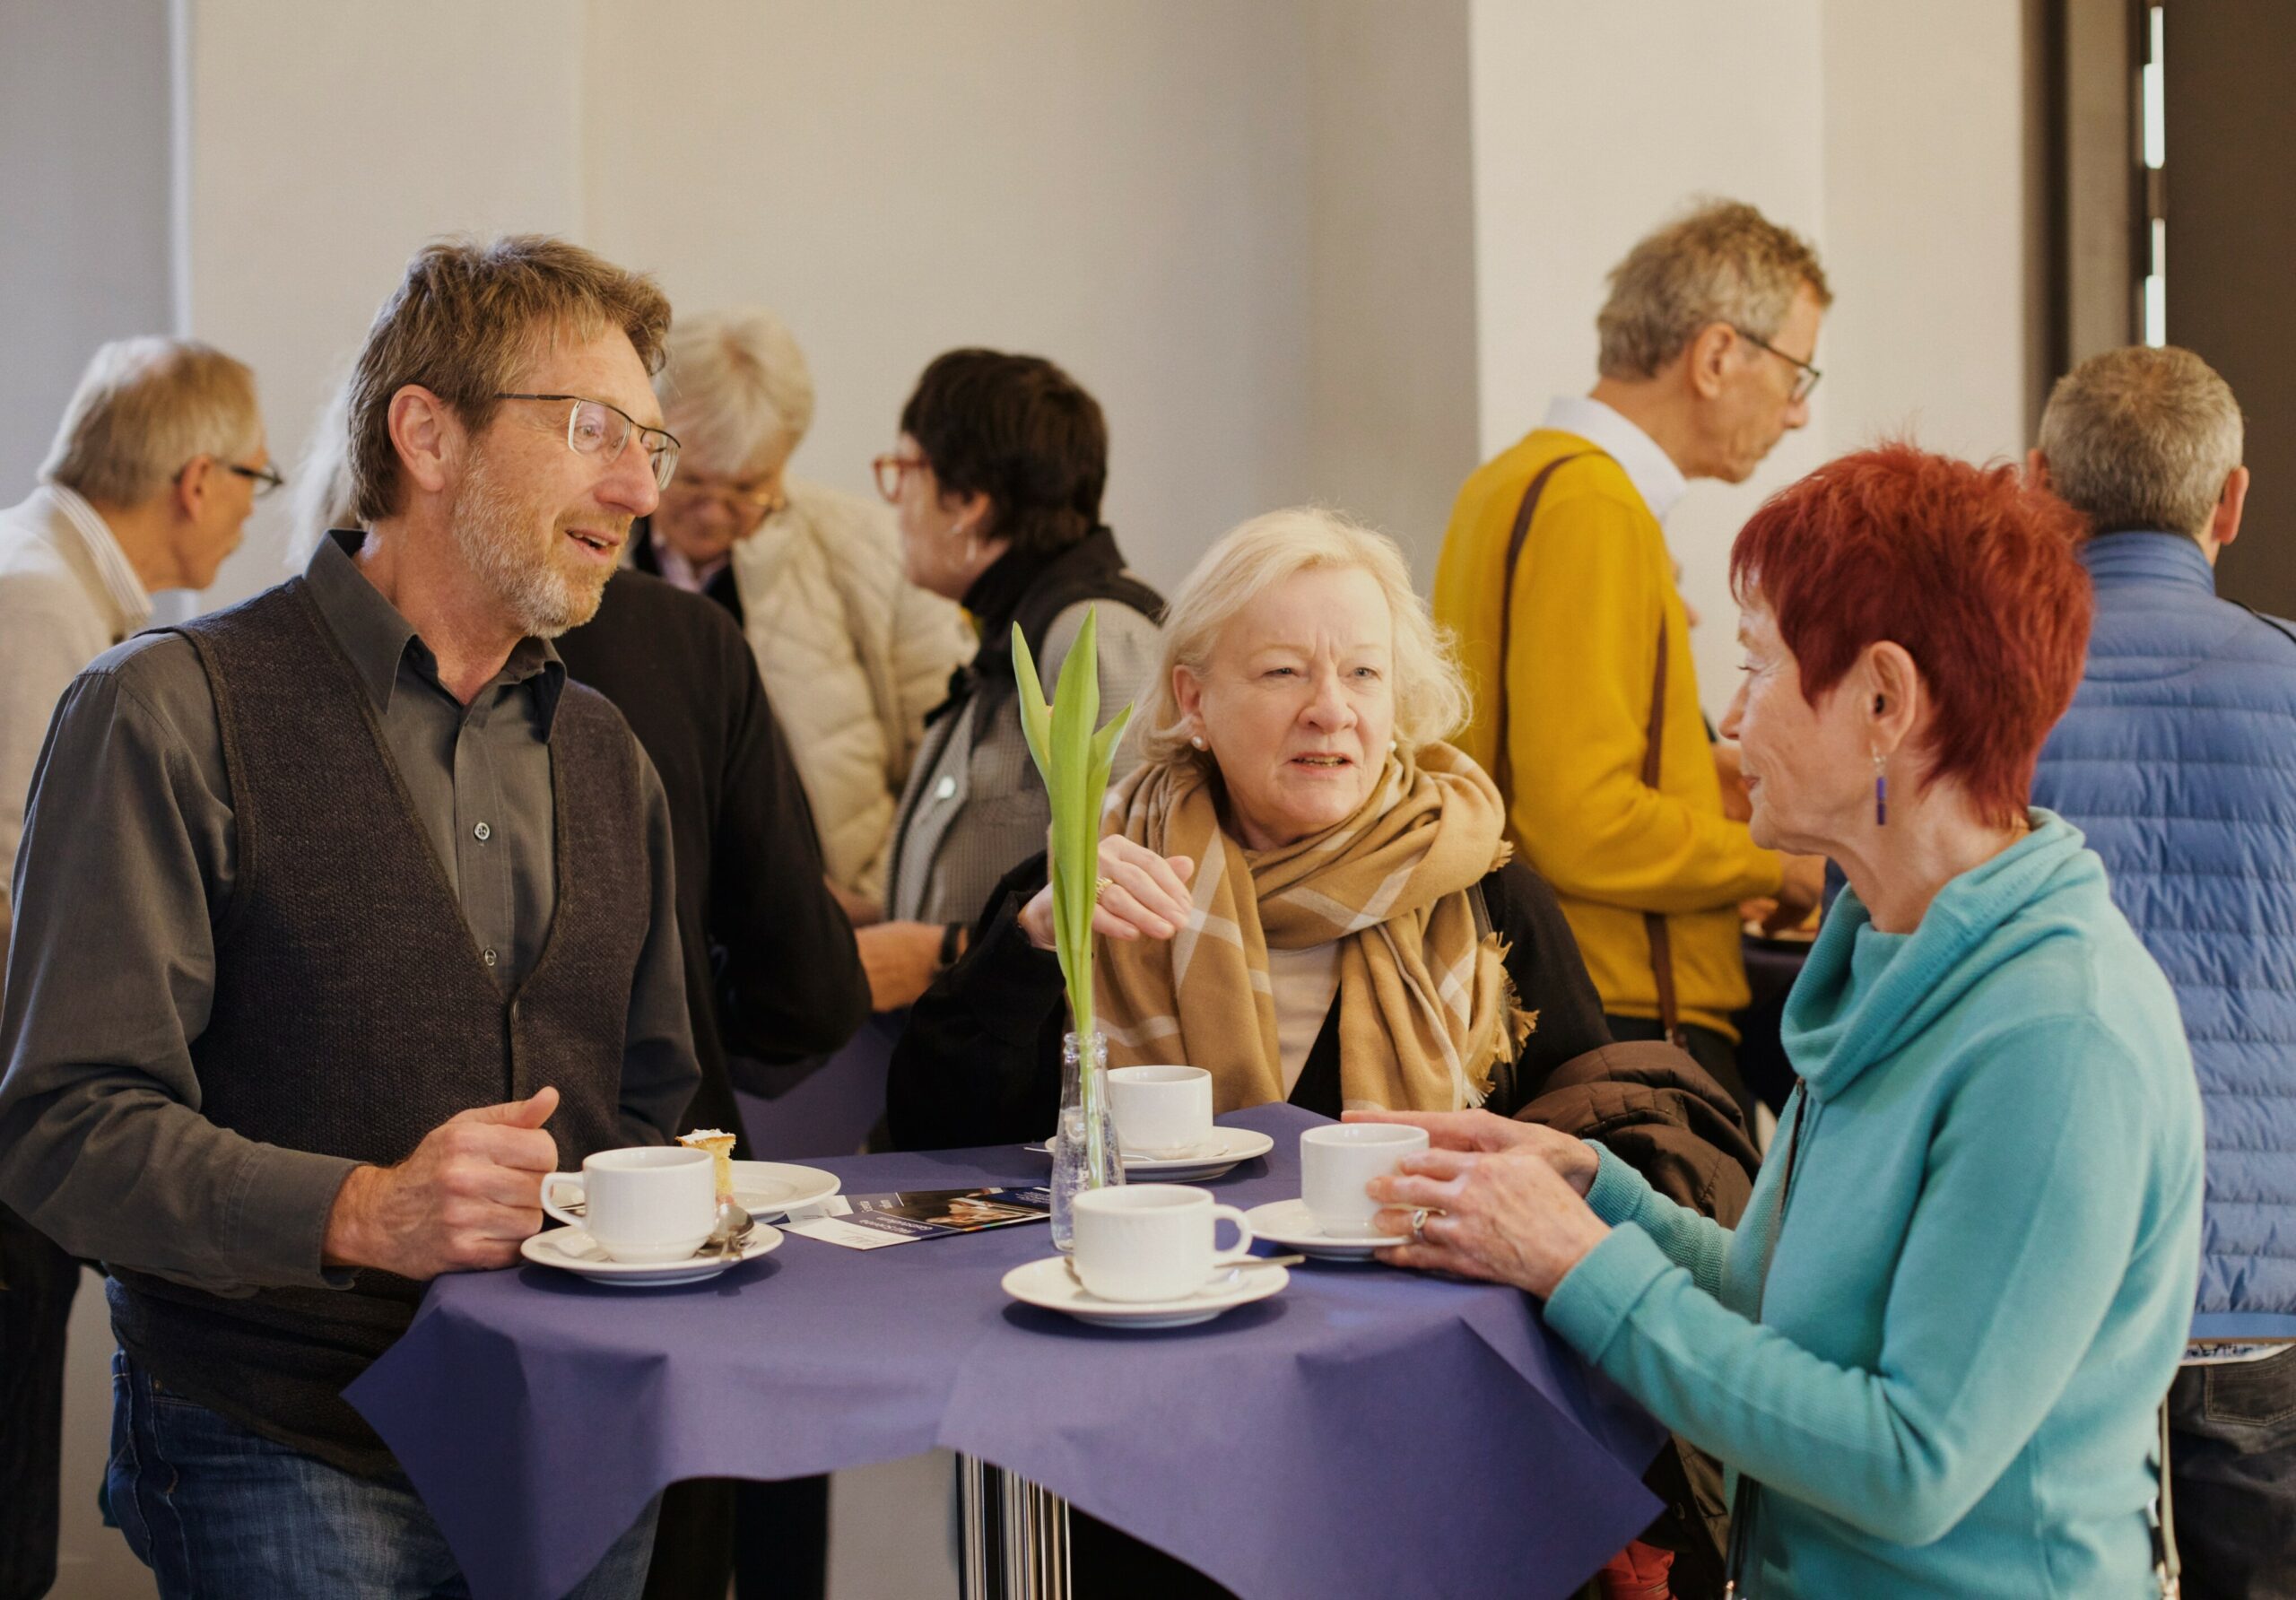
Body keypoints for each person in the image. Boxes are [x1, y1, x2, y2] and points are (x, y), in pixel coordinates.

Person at [1367, 445, 2204, 1597]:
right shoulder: (1891, 954)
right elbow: (1792, 1300)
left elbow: (1909, 1459)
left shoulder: (2059, 1038)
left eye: (1757, 665)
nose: (1729, 714)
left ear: (1883, 701)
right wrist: (1593, 1190)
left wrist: (1581, 1266)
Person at [0, 235, 700, 1597]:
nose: (634, 487)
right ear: (427, 435)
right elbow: (63, 1129)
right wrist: (364, 1211)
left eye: (651, 446)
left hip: (578, 1450)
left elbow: (654, 1105)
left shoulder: (611, 755)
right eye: (591, 430)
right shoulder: (165, 710)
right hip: (283, 1451)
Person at [891, 506, 1759, 1598]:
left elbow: (1577, 1146)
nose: (1330, 710)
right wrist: (1033, 941)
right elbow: (931, 1129)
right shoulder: (1095, 874)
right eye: (1283, 671)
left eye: (1362, 671)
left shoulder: (1484, 890)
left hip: (1427, 1447)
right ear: (1193, 700)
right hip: (1153, 1460)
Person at [1432, 199, 1831, 1123]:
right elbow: (1580, 819)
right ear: (1717, 354)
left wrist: (1707, 778)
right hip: (1622, 1005)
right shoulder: (1595, 507)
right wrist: (1777, 867)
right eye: (1796, 370)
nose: (1799, 411)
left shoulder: (1502, 483)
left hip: (1526, 985)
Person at [0, 336, 271, 1600]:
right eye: (259, 481)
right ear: (196, 479)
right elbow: (27, 894)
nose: (253, 516)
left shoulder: (57, 583)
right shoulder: (36, 598)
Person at [2028, 345, 2296, 1598]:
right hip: (2268, 1275)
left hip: (2042, 1275)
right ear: (2229, 503)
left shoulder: (1977, 702)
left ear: (2038, 488)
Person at [863, 348, 1163, 1013]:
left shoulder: (1090, 634)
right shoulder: (1018, 630)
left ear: (967, 499)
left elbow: (1144, 885)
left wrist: (946, 949)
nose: (898, 505)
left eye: (905, 471)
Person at [643, 309, 972, 913]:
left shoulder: (872, 553)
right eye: (690, 481)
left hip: (833, 919)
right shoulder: (591, 553)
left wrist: (871, 901)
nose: (714, 513)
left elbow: (945, 762)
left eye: (746, 489)